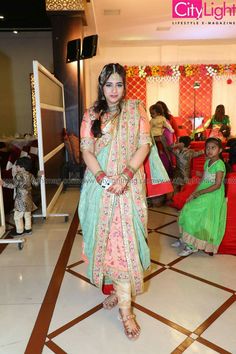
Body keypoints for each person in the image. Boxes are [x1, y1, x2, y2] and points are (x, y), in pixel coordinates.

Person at [78, 63, 152, 340]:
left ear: (125, 86)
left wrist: (125, 175)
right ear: (101, 86)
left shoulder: (136, 110)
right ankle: (120, 297)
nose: (114, 90)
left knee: (125, 245)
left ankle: (125, 309)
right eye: (109, 84)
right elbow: (86, 150)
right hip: (101, 188)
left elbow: (144, 145)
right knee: (107, 244)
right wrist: (104, 179)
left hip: (129, 188)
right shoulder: (91, 114)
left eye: (119, 84)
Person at [173, 137, 227, 256]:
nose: (209, 150)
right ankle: (184, 239)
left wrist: (199, 193)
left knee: (192, 213)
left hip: (212, 194)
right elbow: (204, 179)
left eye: (213, 148)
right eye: (207, 148)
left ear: (220, 150)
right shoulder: (208, 162)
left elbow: (217, 185)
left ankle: (191, 246)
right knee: (186, 209)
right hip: (203, 190)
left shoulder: (220, 165)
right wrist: (193, 193)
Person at [0, 157, 39, 236]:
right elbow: (36, 184)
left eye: (17, 166)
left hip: (20, 199)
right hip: (28, 198)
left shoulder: (18, 176)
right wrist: (39, 175)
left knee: (17, 216)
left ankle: (19, 230)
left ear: (22, 167)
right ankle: (28, 229)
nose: (16, 168)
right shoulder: (30, 175)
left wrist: (3, 183)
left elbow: (13, 185)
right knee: (27, 214)